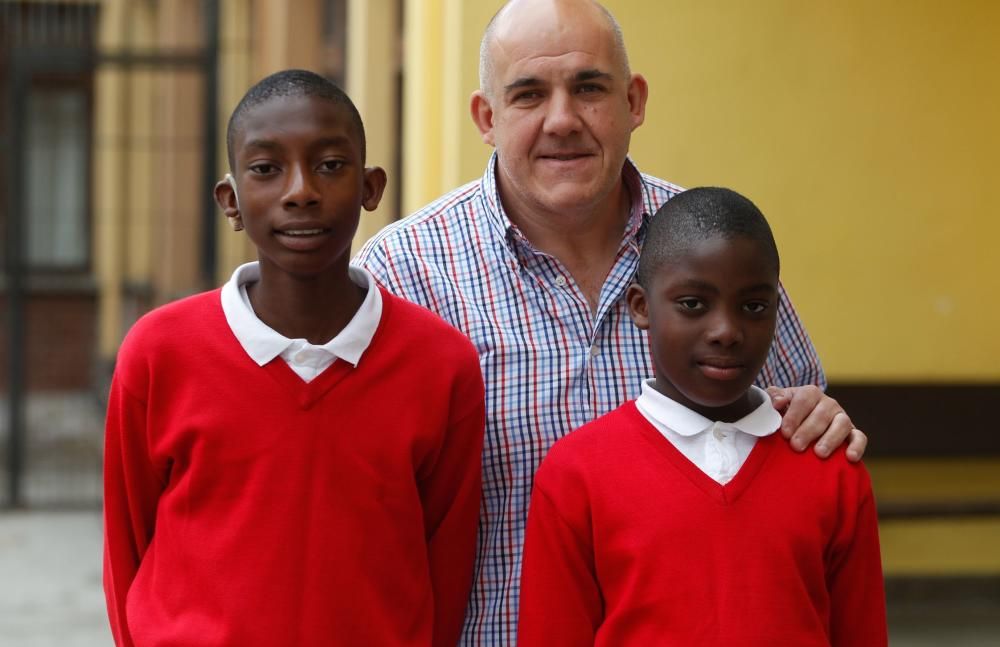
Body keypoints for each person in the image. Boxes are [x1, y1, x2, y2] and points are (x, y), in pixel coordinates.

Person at [354, 0, 867, 642]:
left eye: (589, 88)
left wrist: (818, 414)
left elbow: (797, 426)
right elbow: (363, 517)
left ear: (635, 102)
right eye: (529, 94)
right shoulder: (406, 276)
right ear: (487, 117)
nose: (562, 120)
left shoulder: (713, 248)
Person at [102, 69, 485, 647]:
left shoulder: (441, 364)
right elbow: (126, 546)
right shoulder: (159, 353)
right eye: (266, 169)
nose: (301, 189)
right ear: (231, 201)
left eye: (330, 165)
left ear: (371, 187)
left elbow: (448, 564)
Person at [517, 187, 887, 646]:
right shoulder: (576, 472)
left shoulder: (830, 467)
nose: (726, 331)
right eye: (693, 304)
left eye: (754, 306)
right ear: (640, 307)